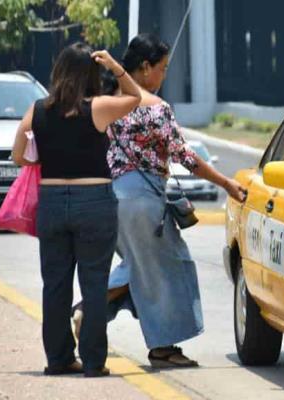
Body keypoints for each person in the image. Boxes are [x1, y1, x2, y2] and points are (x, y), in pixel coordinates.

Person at [72, 33, 246, 368]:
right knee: (171, 266)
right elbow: (185, 156)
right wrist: (226, 183)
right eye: (163, 68)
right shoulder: (154, 107)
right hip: (143, 200)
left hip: (110, 198)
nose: (165, 75)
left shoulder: (103, 102)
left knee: (142, 267)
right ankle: (136, 333)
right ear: (144, 67)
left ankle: (99, 314)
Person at [12, 42, 141, 377]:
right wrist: (115, 66)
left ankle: (58, 359)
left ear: (59, 71)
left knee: (54, 284)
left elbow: (18, 155)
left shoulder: (37, 110)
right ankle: (94, 362)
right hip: (93, 200)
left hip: (52, 201)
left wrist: (48, 159)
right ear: (90, 75)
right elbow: (135, 96)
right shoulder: (98, 107)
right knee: (94, 283)